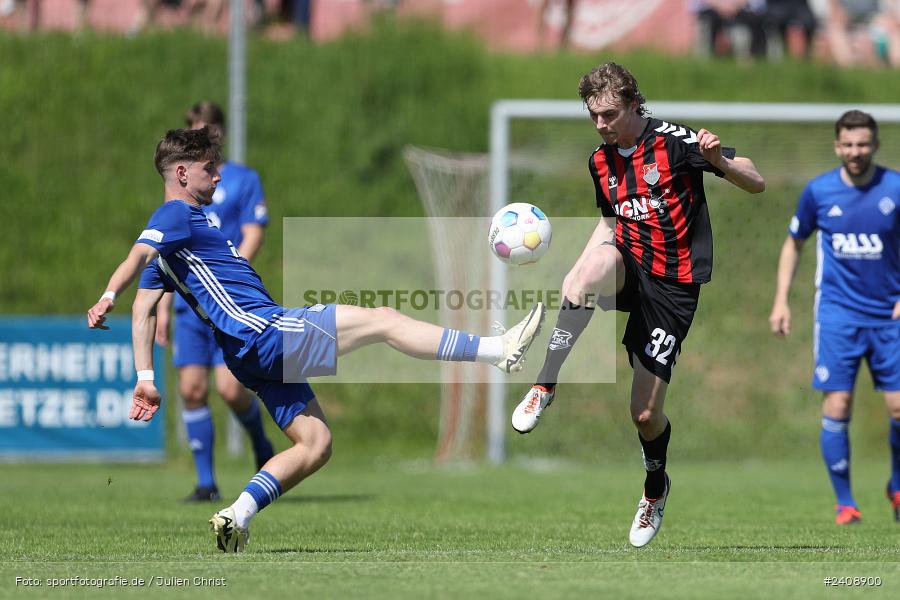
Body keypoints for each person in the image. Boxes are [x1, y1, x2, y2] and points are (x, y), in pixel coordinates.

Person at [87, 127, 545, 552]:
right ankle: (497, 351)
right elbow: (138, 255)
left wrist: (145, 376)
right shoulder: (174, 215)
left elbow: (145, 308)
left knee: (316, 443)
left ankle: (235, 515)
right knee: (382, 319)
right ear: (182, 173)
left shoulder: (184, 234)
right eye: (209, 168)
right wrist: (109, 293)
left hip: (247, 357)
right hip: (263, 333)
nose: (218, 175)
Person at [509, 62, 765, 548]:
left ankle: (655, 486)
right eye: (593, 117)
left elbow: (757, 181)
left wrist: (722, 162)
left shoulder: (675, 142)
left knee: (645, 416)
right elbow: (609, 224)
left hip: (674, 287)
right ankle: (545, 384)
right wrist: (579, 270)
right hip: (627, 261)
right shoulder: (599, 161)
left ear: (632, 104)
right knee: (584, 276)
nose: (601, 125)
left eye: (609, 114)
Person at [769, 110, 900, 525]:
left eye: (863, 144)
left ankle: (896, 486)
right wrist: (781, 301)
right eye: (848, 144)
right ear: (837, 146)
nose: (856, 151)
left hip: (890, 315)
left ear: (875, 145)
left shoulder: (895, 188)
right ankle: (846, 502)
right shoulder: (819, 191)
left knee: (899, 409)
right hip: (838, 315)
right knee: (838, 403)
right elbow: (794, 244)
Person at [153, 101, 274, 503]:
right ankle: (206, 482)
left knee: (230, 388)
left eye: (209, 128)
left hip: (228, 302)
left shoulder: (239, 179)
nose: (203, 134)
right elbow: (165, 248)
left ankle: (260, 445)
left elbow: (254, 232)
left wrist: (230, 273)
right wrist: (163, 307)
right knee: (190, 389)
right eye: (194, 128)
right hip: (190, 307)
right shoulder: (181, 185)